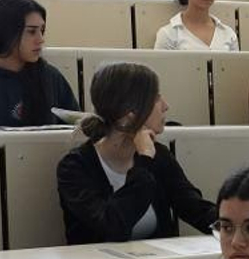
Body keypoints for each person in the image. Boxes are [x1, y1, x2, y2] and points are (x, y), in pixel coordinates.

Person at [56, 64, 217, 245]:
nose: (165, 106)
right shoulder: (75, 167)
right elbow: (113, 227)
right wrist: (144, 161)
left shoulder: (159, 155)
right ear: (130, 115)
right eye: (156, 98)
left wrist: (239, 223)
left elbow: (195, 208)